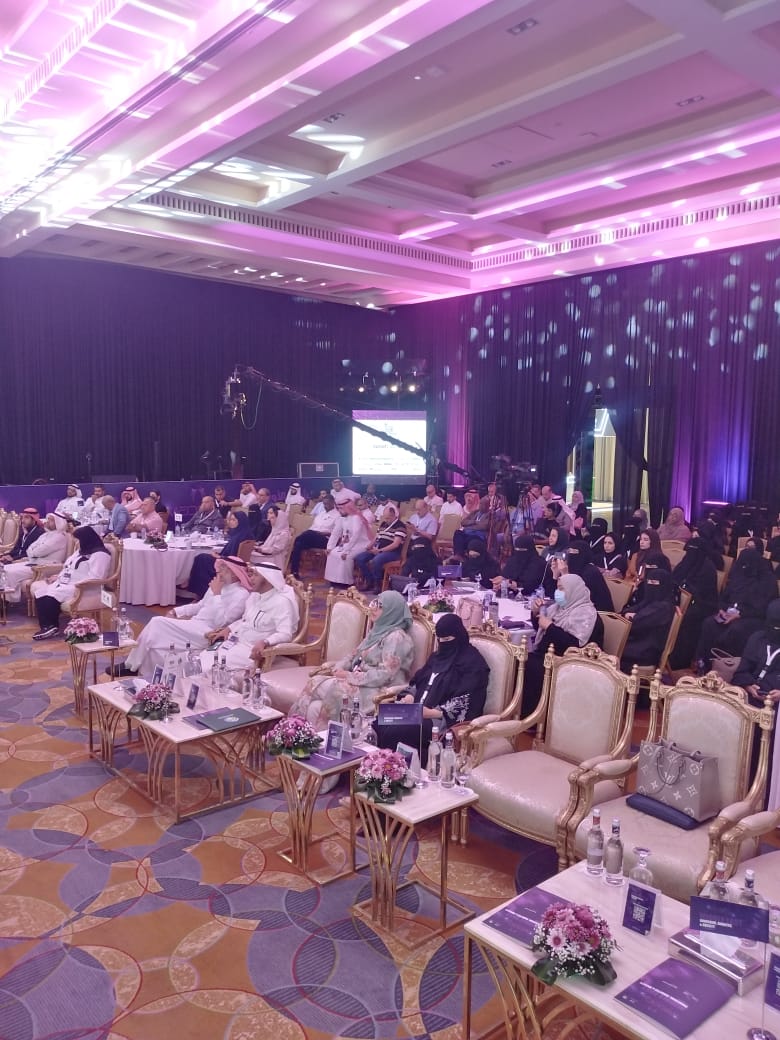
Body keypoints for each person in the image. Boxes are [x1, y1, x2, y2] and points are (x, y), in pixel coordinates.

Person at [289, 590, 415, 727]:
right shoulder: (378, 631)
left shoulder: (396, 637)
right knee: (315, 696)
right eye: (374, 603)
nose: (373, 608)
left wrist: (349, 676)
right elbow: (355, 654)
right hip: (361, 682)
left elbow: (385, 675)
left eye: (380, 606)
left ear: (391, 611)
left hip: (378, 688)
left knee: (327, 687)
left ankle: (303, 731)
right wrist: (339, 667)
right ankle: (296, 731)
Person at [112, 557, 252, 678]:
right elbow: (200, 605)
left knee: (157, 622)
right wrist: (176, 611)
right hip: (194, 624)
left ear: (235, 574)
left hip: (208, 632)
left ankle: (130, 665)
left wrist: (217, 595)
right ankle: (146, 675)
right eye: (220, 567)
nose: (219, 571)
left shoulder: (241, 595)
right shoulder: (218, 586)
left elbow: (222, 622)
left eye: (224, 569)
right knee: (156, 646)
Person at [375, 613, 489, 754]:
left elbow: (469, 701)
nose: (443, 643)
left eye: (447, 639)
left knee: (395, 731)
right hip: (416, 711)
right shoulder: (437, 656)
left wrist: (431, 713)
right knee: (377, 722)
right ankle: (378, 764)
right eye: (439, 639)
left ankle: (396, 766)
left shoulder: (473, 665)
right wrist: (410, 696)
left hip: (439, 720)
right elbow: (421, 680)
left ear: (458, 636)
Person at [521, 573, 602, 713]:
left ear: (574, 590)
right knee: (519, 660)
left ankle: (535, 716)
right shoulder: (558, 608)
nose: (558, 593)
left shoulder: (586, 614)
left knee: (530, 667)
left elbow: (574, 644)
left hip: (571, 661)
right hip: (549, 655)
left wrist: (550, 626)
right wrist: (535, 613)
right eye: (557, 588)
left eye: (562, 589)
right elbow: (541, 628)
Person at [199, 561, 298, 674]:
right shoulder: (255, 596)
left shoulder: (281, 602)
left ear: (267, 578)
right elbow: (245, 620)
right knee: (200, 658)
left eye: (255, 575)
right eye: (251, 574)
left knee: (207, 668)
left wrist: (265, 642)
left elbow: (285, 634)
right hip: (234, 641)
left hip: (250, 650)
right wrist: (229, 628)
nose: (251, 578)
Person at [694, 547, 778, 671]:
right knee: (709, 623)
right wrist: (722, 609)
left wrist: (740, 614)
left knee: (735, 630)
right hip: (730, 612)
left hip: (753, 617)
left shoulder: (767, 581)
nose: (744, 567)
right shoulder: (739, 574)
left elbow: (764, 609)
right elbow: (724, 596)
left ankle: (726, 668)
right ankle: (703, 663)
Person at [31, 526, 112, 639]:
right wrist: (58, 577)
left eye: (79, 540)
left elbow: (97, 578)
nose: (77, 542)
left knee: (51, 596)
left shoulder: (100, 555)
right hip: (67, 583)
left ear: (86, 539)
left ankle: (51, 626)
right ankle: (47, 626)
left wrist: (77, 584)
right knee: (40, 593)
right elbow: (68, 567)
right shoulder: (81, 551)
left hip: (85, 587)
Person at [668, 531, 720, 670]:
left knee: (687, 619)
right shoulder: (685, 562)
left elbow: (704, 594)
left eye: (694, 551)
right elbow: (674, 580)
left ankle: (679, 660)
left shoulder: (708, 568)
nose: (691, 554)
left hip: (702, 605)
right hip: (680, 602)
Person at [620, 564, 676, 674]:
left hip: (646, 650)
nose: (650, 586)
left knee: (613, 647)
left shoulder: (664, 607)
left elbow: (637, 623)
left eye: (654, 583)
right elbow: (627, 611)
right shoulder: (650, 600)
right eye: (649, 582)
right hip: (638, 640)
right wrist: (628, 615)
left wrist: (631, 616)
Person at [185, 510, 254, 599]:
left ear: (240, 521)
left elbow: (231, 557)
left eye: (233, 520)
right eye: (230, 519)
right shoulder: (245, 533)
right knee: (203, 557)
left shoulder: (238, 537)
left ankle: (201, 591)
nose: (230, 522)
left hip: (228, 564)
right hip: (234, 562)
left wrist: (219, 556)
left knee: (201, 559)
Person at [2, 514, 68, 603]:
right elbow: (30, 548)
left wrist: (33, 552)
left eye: (51, 520)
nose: (47, 522)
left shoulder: (59, 537)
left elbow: (39, 551)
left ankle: (9, 601)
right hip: (33, 562)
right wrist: (33, 552)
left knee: (9, 572)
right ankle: (4, 599)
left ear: (59, 522)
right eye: (48, 519)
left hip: (46, 567)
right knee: (3, 568)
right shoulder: (46, 535)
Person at [354, 503, 407, 593]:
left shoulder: (400, 526)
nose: (386, 520)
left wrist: (380, 550)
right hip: (378, 549)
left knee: (377, 560)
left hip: (392, 552)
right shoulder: (383, 524)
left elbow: (395, 544)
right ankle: (369, 580)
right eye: (385, 518)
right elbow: (376, 537)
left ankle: (377, 584)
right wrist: (369, 546)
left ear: (393, 515)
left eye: (388, 518)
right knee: (360, 558)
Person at [325, 496, 373, 587]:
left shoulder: (356, 518)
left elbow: (356, 535)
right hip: (347, 544)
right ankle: (334, 580)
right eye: (338, 509)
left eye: (341, 509)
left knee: (345, 556)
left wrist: (346, 551)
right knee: (332, 553)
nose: (339, 511)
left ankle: (346, 582)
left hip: (361, 544)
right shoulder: (341, 518)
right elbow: (335, 533)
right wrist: (329, 547)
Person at [289, 494, 338, 580]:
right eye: (324, 504)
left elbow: (335, 533)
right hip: (312, 537)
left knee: (305, 535)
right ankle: (294, 572)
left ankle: (293, 550)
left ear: (333, 503)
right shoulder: (321, 514)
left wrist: (320, 533)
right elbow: (312, 527)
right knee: (298, 544)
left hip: (325, 540)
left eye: (327, 504)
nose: (325, 506)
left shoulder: (337, 516)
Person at [558, 543, 612, 612]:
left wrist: (564, 575)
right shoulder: (573, 569)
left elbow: (573, 600)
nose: (569, 558)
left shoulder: (590, 573)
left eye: (572, 553)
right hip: (576, 611)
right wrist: (555, 576)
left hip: (595, 613)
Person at [252, 505, 291, 571]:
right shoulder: (275, 530)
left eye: (272, 518)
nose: (269, 519)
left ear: (279, 519)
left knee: (249, 556)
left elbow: (275, 550)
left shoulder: (284, 534)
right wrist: (258, 547)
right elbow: (267, 545)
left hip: (274, 560)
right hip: (268, 556)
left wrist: (261, 549)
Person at [452, 492, 490, 557]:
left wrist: (469, 527)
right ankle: (458, 555)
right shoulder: (475, 512)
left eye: (483, 504)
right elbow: (463, 522)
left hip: (478, 536)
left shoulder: (489, 514)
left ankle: (462, 556)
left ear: (487, 506)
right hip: (467, 533)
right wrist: (474, 522)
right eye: (480, 503)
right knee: (457, 533)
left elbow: (484, 526)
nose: (480, 505)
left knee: (468, 539)